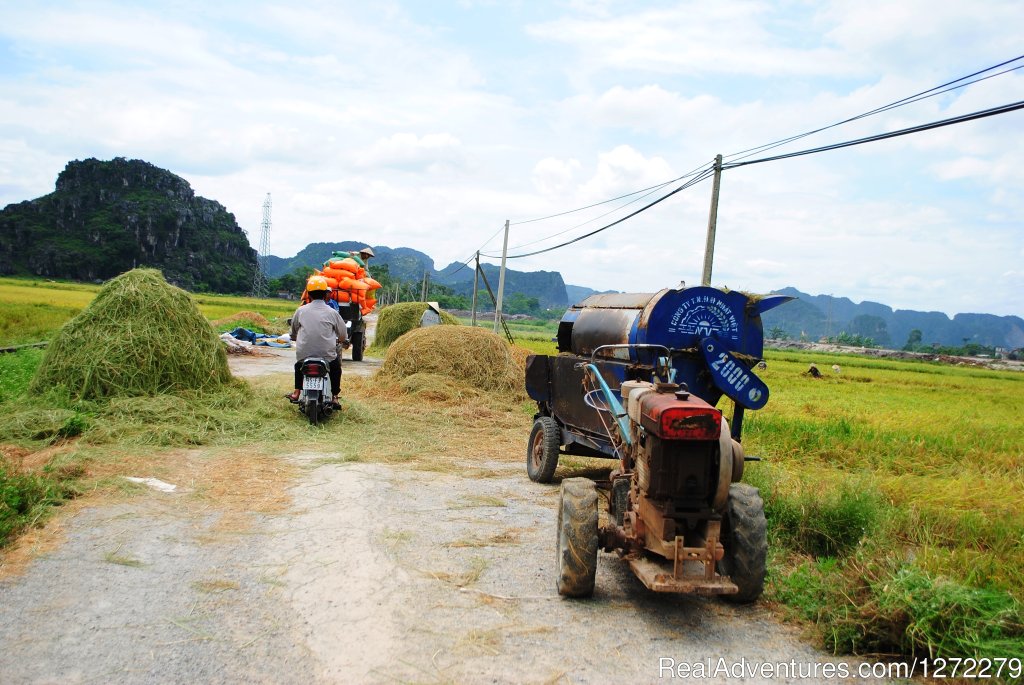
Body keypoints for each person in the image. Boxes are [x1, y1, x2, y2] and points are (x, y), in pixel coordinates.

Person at [286, 275, 348, 409]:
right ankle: (335, 397)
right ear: (326, 294)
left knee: (299, 366)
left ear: (309, 294)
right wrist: (341, 340)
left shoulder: (301, 311)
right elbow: (343, 334)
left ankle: (297, 392)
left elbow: (293, 331)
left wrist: (294, 337)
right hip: (327, 355)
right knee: (336, 369)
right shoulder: (333, 313)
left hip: (304, 354)